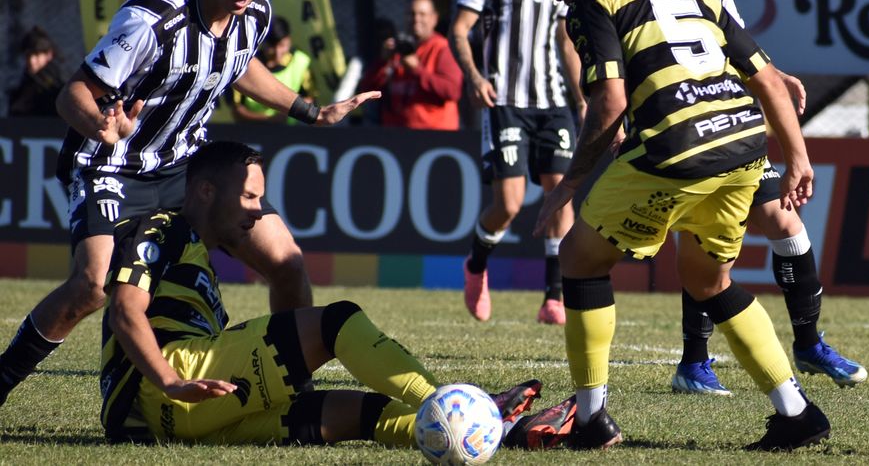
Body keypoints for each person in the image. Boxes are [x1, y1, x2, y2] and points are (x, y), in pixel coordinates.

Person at [0, 0, 379, 408]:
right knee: (92, 286)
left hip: (187, 170)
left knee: (286, 262)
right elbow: (71, 95)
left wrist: (312, 111)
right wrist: (102, 127)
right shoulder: (151, 19)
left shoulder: (256, 13)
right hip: (113, 164)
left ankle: (293, 392)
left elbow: (239, 67)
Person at [529, 0, 830, 451]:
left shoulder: (593, 2)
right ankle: (796, 412)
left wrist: (567, 188)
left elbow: (609, 101)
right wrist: (797, 156)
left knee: (577, 258)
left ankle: (592, 419)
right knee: (706, 278)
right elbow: (765, 78)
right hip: (742, 149)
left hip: (678, 152)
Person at [100, 140, 542, 446]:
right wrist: (171, 381)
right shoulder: (164, 227)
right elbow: (124, 311)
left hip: (181, 418)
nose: (258, 212)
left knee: (364, 415)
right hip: (164, 388)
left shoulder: (197, 256)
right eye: (250, 197)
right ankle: (444, 400)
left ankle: (503, 433)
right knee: (337, 321)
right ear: (205, 190)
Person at [626, 0, 866, 395]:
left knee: (785, 223)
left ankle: (807, 345)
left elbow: (738, 44)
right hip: (670, 141)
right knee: (708, 245)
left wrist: (775, 76)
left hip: (727, 127)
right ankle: (693, 362)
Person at [451, 0, 584, 325]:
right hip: (505, 99)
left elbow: (566, 40)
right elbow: (459, 30)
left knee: (559, 196)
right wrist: (473, 77)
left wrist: (582, 96)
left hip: (552, 103)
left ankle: (553, 296)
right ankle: (476, 265)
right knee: (508, 204)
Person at [359, 0, 463, 130]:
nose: (416, 19)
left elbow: (452, 91)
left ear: (434, 18)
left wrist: (417, 70)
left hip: (435, 136)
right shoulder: (398, 47)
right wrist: (383, 61)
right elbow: (366, 90)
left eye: (422, 14)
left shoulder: (442, 48)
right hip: (396, 135)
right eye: (411, 14)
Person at [232, 17, 316, 124]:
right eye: (271, 47)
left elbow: (311, 101)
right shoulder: (244, 64)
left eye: (282, 45)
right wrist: (269, 121)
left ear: (289, 40)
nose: (277, 53)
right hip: (253, 133)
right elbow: (237, 110)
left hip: (292, 132)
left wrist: (295, 112)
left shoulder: (301, 62)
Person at [7, 26, 65, 117]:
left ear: (49, 54)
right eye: (28, 55)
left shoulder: (57, 78)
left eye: (37, 55)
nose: (31, 60)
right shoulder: (26, 78)